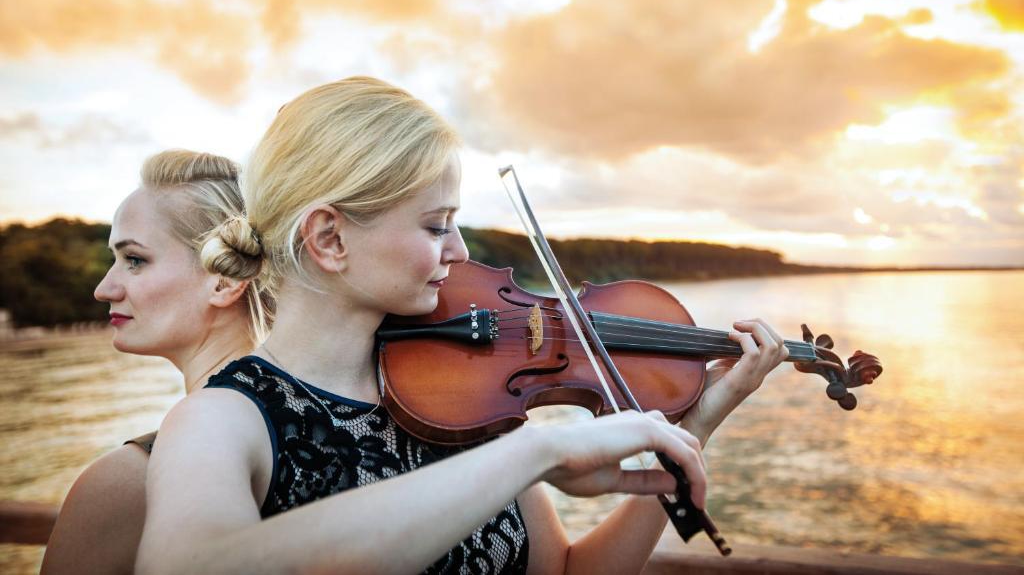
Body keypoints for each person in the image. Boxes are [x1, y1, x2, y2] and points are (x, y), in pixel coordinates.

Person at [135, 77, 788, 575]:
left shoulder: (462, 398)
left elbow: (567, 571)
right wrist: (538, 451)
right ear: (330, 237)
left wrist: (691, 428)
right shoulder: (221, 420)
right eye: (435, 225)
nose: (459, 251)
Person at [41, 150, 273, 575]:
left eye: (134, 260)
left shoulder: (122, 485)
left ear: (225, 280)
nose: (103, 288)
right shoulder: (346, 421)